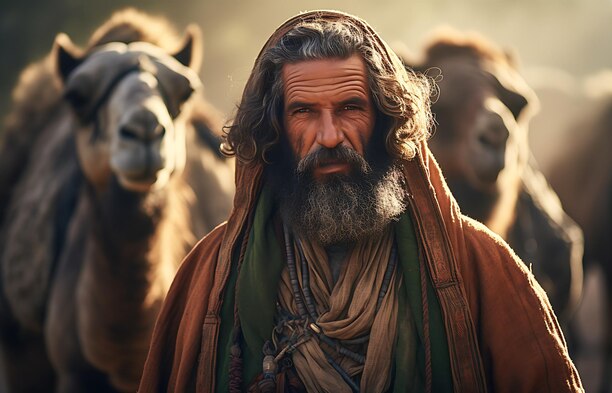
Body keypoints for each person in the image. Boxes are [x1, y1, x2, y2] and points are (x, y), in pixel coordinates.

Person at [138, 10, 583, 393]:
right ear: (273, 129)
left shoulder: (479, 267)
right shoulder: (209, 275)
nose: (329, 137)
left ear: (387, 120)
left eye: (350, 108)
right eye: (304, 112)